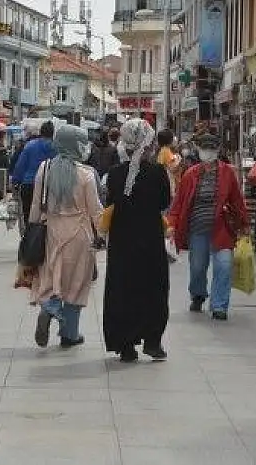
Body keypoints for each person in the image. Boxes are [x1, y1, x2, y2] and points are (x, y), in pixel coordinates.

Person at [27, 125, 102, 348]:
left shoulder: (45, 168)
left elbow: (35, 204)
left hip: (51, 230)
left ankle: (49, 307)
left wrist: (31, 229)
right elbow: (95, 210)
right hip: (79, 234)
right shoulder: (86, 174)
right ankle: (69, 334)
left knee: (51, 277)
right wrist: (104, 234)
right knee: (76, 284)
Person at [103, 119, 172, 362]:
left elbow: (110, 201)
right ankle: (152, 341)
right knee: (153, 287)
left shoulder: (114, 174)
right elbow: (164, 203)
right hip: (149, 239)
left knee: (123, 288)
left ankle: (125, 344)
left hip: (122, 240)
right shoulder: (157, 172)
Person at [168, 131, 249, 321]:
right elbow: (179, 202)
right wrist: (171, 223)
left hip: (222, 229)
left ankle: (219, 305)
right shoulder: (190, 174)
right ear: (199, 150)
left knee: (224, 266)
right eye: (205, 149)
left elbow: (237, 200)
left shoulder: (228, 173)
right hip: (197, 229)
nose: (208, 152)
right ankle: (198, 294)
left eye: (212, 149)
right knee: (197, 267)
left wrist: (244, 223)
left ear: (218, 150)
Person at [11, 120, 57, 226]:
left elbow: (20, 166)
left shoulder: (30, 146)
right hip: (49, 186)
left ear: (41, 132)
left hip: (29, 185)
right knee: (48, 217)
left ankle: (30, 236)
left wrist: (15, 182)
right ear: (53, 133)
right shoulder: (56, 148)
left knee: (29, 216)